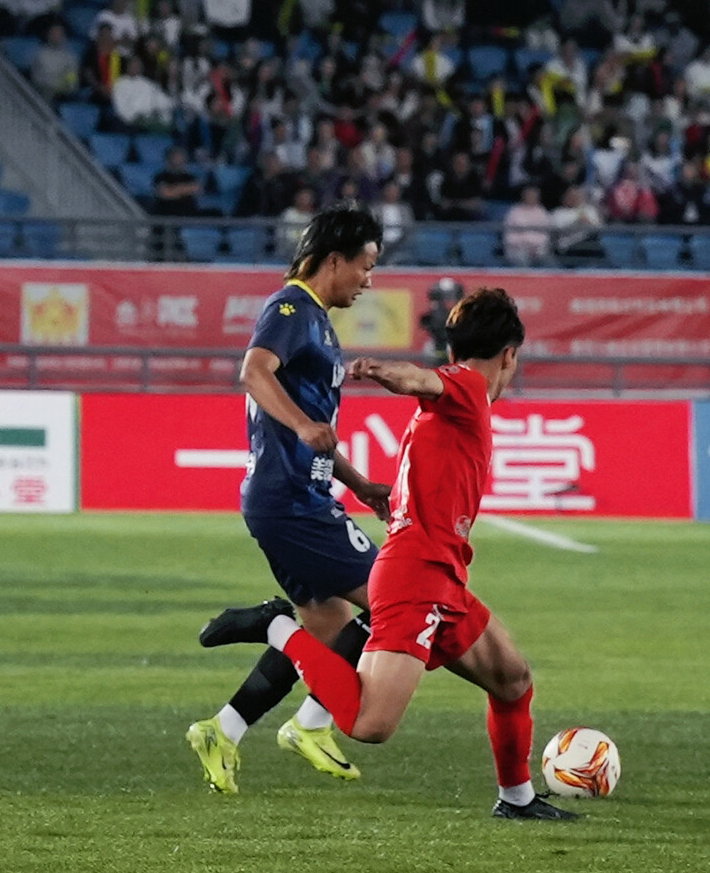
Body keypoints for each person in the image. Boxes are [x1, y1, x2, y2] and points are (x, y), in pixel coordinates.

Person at [197, 288, 577, 821]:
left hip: (441, 575)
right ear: (510, 354)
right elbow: (421, 379)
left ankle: (516, 799)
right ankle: (275, 626)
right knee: (370, 724)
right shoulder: (467, 386)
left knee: (511, 677)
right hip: (415, 578)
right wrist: (384, 371)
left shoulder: (446, 413)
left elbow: (427, 417)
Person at [186, 205, 391, 794]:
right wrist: (302, 426)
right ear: (335, 260)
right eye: (365, 266)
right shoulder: (291, 308)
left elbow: (315, 428)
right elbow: (254, 371)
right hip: (293, 502)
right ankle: (305, 708)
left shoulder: (316, 321)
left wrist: (358, 483)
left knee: (328, 634)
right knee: (397, 602)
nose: (369, 280)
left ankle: (222, 730)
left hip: (295, 497)